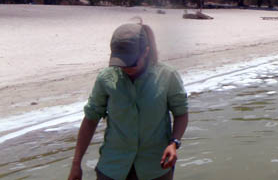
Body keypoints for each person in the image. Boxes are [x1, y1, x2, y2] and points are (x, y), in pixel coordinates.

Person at [68, 21, 189, 180]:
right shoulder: (106, 79)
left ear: (146, 52)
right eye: (120, 64)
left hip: (156, 168)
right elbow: (91, 118)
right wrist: (76, 164)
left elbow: (181, 114)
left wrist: (174, 143)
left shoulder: (167, 76)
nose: (126, 68)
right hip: (112, 168)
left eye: (131, 63)